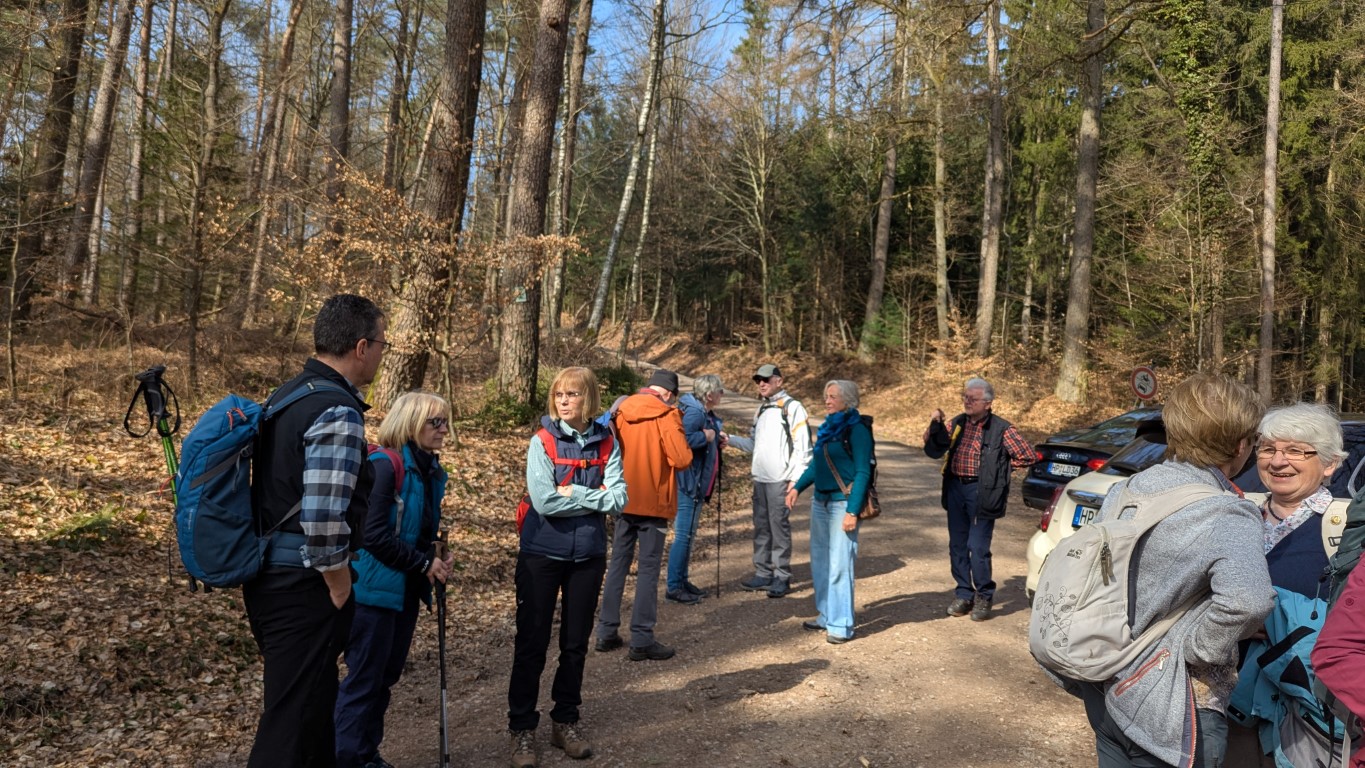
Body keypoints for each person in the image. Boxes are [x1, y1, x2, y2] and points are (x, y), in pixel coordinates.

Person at [1059, 373, 1275, 768]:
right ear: (1241, 445)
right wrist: (1194, 650)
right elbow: (1248, 601)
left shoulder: (1128, 489)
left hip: (1106, 683)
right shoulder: (1226, 511)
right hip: (1175, 706)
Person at [243, 293, 386, 767]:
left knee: (310, 717)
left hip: (267, 576)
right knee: (290, 728)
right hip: (304, 587)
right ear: (361, 347)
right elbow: (324, 520)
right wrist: (340, 587)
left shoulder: (287, 395)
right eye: (381, 344)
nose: (381, 354)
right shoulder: (337, 410)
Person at [508, 367, 626, 768]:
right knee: (532, 643)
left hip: (588, 555)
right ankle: (522, 728)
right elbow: (544, 502)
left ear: (588, 398)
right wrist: (595, 497)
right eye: (559, 394)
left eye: (572, 394)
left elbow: (619, 498)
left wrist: (574, 490)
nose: (563, 400)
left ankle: (565, 720)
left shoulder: (607, 441)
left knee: (575, 645)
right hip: (541, 554)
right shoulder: (541, 441)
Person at [334, 391, 453, 768]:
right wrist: (422, 563)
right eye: (436, 422)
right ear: (411, 423)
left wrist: (434, 555)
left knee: (384, 678)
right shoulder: (386, 466)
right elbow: (372, 535)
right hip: (372, 591)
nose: (444, 429)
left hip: (403, 590)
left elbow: (413, 532)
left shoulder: (427, 469)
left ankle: (365, 753)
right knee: (364, 681)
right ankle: (347, 758)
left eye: (446, 421)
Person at [1226, 403, 1347, 766]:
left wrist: (1274, 620)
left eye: (1296, 451)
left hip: (1306, 716)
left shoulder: (1345, 531)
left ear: (1329, 463)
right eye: (1268, 449)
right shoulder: (1236, 516)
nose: (1278, 462)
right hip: (1227, 705)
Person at [594, 369, 692, 661]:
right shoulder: (666, 414)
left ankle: (605, 632)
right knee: (648, 570)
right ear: (669, 394)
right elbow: (682, 459)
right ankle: (642, 638)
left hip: (622, 499)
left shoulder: (621, 409)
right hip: (654, 504)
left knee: (617, 565)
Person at [921, 376, 1035, 621]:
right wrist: (935, 424)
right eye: (965, 397)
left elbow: (1027, 456)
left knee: (978, 546)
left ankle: (984, 594)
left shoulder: (1002, 428)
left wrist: (999, 470)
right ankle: (964, 594)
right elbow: (933, 444)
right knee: (957, 545)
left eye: (973, 398)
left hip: (982, 492)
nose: (967, 401)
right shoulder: (957, 422)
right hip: (955, 488)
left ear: (988, 403)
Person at [785, 380, 872, 644]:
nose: (827, 400)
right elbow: (817, 466)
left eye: (833, 396)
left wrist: (852, 511)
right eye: (826, 395)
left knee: (839, 565)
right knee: (821, 562)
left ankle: (841, 624)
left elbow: (863, 472)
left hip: (841, 504)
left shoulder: (857, 430)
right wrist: (797, 487)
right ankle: (826, 614)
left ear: (848, 400)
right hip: (820, 503)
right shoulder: (827, 427)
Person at [725, 363, 811, 598]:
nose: (761, 384)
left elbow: (804, 449)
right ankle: (763, 573)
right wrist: (729, 439)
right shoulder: (761, 410)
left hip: (780, 480)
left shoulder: (792, 408)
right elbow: (753, 445)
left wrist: (795, 481)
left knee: (778, 528)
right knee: (761, 527)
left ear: (779, 381)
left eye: (766, 379)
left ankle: (782, 576)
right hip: (760, 479)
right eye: (758, 380)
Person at [665, 374, 724, 605]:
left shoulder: (703, 412)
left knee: (688, 536)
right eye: (720, 391)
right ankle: (674, 586)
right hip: (688, 483)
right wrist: (705, 436)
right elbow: (683, 440)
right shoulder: (696, 413)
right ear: (709, 395)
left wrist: (715, 438)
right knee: (683, 536)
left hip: (695, 483)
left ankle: (682, 581)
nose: (722, 395)